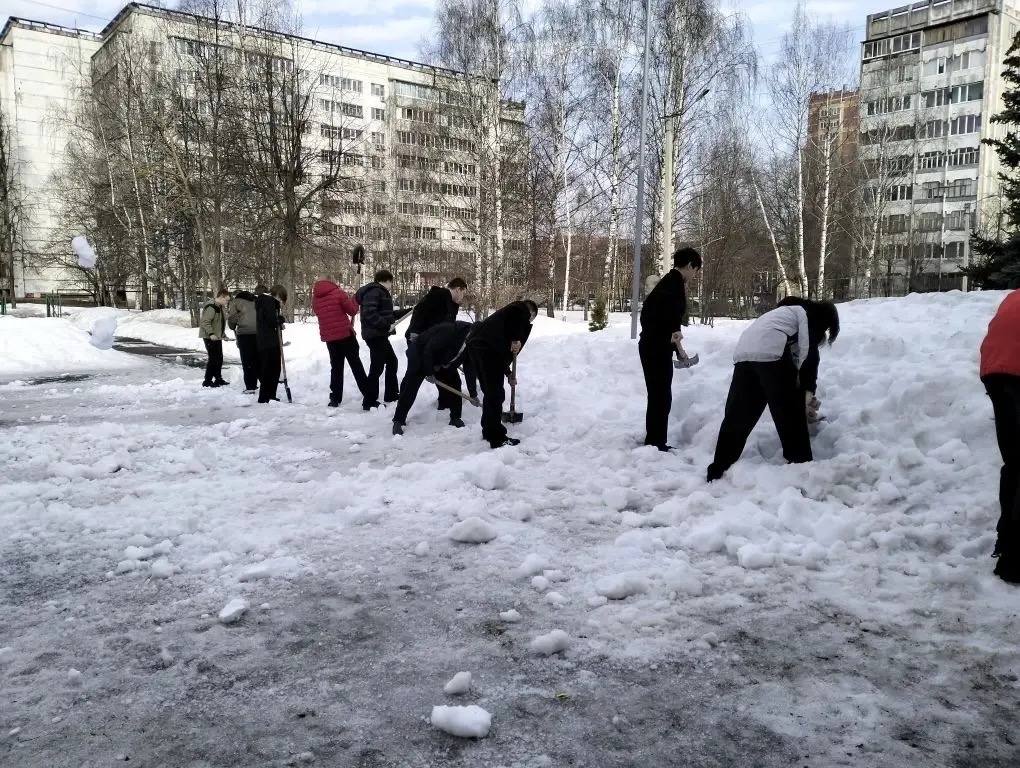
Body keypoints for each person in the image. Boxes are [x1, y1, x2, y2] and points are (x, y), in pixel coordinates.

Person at [707, 298, 840, 482]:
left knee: (738, 415)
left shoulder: (783, 314)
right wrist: (807, 393)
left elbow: (794, 357)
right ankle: (802, 468)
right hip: (770, 350)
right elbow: (810, 356)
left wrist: (801, 391)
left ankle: (719, 468)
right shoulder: (807, 315)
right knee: (790, 414)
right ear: (824, 321)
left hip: (744, 352)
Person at [638, 247, 702, 451]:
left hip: (652, 345)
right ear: (690, 265)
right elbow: (670, 320)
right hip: (656, 347)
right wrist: (678, 347)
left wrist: (675, 346)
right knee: (661, 396)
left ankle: (655, 440)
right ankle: (656, 443)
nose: (694, 275)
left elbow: (658, 317)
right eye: (696, 270)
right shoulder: (674, 285)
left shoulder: (668, 282)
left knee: (658, 395)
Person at [980, 289, 1020, 583]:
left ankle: (1006, 544)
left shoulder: (1014, 296)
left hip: (994, 372)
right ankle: (1014, 560)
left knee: (1015, 462)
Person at [466, 299, 537, 449]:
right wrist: (516, 339)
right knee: (496, 394)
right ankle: (497, 437)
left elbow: (500, 353)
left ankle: (488, 431)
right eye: (531, 319)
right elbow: (517, 314)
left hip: (479, 349)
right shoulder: (520, 308)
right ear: (530, 313)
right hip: (487, 351)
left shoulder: (504, 322)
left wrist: (508, 373)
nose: (528, 322)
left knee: (491, 393)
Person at [392, 321, 478, 435]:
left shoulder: (472, 344)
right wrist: (429, 372)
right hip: (420, 354)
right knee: (410, 387)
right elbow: (429, 349)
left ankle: (455, 418)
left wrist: (473, 394)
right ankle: (398, 420)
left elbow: (469, 369)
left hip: (439, 360)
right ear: (470, 332)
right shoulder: (450, 330)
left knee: (455, 382)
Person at [406, 277, 469, 413]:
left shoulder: (451, 303)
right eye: (463, 293)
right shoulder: (439, 295)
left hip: (435, 344)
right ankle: (399, 417)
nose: (463, 297)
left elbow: (448, 327)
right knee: (414, 379)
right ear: (458, 289)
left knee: (445, 374)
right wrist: (415, 334)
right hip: (420, 342)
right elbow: (420, 311)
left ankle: (444, 403)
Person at [311, 277, 371, 409]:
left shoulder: (315, 298)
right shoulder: (338, 293)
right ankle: (368, 396)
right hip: (345, 335)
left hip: (330, 338)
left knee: (336, 367)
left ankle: (335, 398)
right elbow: (352, 310)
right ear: (331, 283)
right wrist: (354, 299)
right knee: (356, 365)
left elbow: (318, 312)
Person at [355, 270, 399, 409]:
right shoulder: (374, 291)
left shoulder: (379, 292)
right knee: (377, 367)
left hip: (379, 335)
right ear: (387, 280)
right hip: (374, 335)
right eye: (391, 282)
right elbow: (369, 314)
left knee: (391, 362)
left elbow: (387, 314)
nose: (391, 285)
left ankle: (391, 394)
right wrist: (385, 325)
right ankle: (369, 401)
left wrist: (409, 310)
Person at [227, 284, 265, 393]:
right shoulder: (256, 300)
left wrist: (232, 325)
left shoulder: (235, 302)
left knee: (248, 361)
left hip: (245, 335)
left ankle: (251, 386)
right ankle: (265, 383)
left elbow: (232, 321)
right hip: (260, 333)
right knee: (259, 359)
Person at [255, 285, 287, 404]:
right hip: (269, 341)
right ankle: (265, 397)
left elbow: (270, 319)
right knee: (270, 369)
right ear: (277, 294)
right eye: (282, 298)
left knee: (272, 369)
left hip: (268, 340)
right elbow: (271, 320)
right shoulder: (269, 301)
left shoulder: (268, 302)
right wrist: (280, 320)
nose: (281, 301)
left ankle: (269, 395)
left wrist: (278, 320)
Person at [199, 288, 231, 388]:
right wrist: (211, 333)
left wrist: (223, 335)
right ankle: (207, 381)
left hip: (217, 337)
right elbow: (205, 322)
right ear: (221, 297)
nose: (227, 302)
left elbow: (219, 323)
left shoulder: (219, 307)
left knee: (219, 358)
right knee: (213, 359)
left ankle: (218, 379)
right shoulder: (211, 306)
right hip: (209, 337)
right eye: (226, 300)